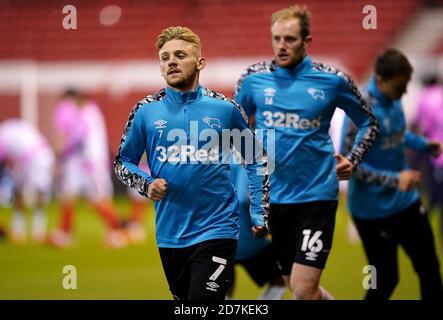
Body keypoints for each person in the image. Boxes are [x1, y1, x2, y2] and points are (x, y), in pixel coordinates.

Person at [234, 5, 379, 300]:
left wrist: (352, 159)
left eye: (290, 39)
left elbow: (368, 122)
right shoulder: (253, 80)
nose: (281, 46)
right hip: (274, 199)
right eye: (276, 39)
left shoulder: (333, 80)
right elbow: (235, 127)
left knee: (302, 289)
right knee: (298, 288)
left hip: (316, 196)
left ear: (307, 41)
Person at [113, 26, 269, 300]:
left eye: (180, 55)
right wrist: (147, 185)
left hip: (218, 228)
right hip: (170, 234)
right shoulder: (145, 111)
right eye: (165, 57)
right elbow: (123, 163)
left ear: (200, 63)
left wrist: (258, 212)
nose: (171, 61)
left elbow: (256, 160)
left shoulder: (226, 109)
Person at [341, 48, 443, 300]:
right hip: (372, 211)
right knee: (385, 280)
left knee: (429, 267)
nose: (405, 92)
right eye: (400, 86)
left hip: (405, 202)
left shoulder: (394, 99)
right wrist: (395, 179)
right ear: (380, 80)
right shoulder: (359, 109)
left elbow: (396, 133)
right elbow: (349, 166)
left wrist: (422, 144)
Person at [49, 89, 128, 248]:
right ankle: (65, 232)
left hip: (91, 163)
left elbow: (78, 137)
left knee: (97, 199)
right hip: (86, 162)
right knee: (71, 195)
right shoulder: (90, 112)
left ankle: (118, 230)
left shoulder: (87, 113)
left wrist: (63, 152)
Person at [226, 155, 285, 300]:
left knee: (223, 286)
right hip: (247, 236)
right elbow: (246, 198)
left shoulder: (218, 155)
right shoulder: (250, 156)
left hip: (218, 234)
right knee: (280, 279)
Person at [0, 119, 55, 244]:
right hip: (36, 156)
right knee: (28, 193)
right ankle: (23, 230)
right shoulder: (6, 130)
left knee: (34, 193)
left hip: (37, 156)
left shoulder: (3, 134)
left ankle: (33, 231)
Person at [414, 74, 443, 243]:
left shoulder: (425, 97)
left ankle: (422, 225)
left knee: (432, 194)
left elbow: (421, 125)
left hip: (434, 154)